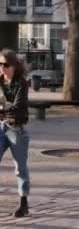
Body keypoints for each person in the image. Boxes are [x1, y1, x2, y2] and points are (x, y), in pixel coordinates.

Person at [0, 49, 31, 217]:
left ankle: (23, 203)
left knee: (20, 168)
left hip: (16, 129)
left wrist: (2, 107)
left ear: (14, 66)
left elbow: (18, 106)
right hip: (1, 127)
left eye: (5, 64)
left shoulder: (21, 83)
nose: (2, 68)